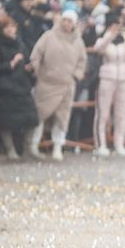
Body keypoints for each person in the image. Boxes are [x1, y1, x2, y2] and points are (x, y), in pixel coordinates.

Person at [28, 9, 87, 161]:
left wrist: (76, 76)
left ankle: (57, 146)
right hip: (46, 82)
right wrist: (36, 69)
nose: (67, 24)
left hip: (67, 84)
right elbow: (37, 54)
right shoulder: (48, 36)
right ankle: (33, 145)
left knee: (62, 117)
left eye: (70, 21)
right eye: (65, 20)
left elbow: (82, 61)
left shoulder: (78, 41)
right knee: (40, 114)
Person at [0, 15, 39, 160]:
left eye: (13, 26)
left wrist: (29, 68)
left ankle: (27, 147)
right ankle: (10, 149)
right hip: (5, 87)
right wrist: (10, 64)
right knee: (5, 120)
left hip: (22, 85)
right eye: (8, 27)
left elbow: (26, 61)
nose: (11, 30)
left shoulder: (20, 44)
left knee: (31, 118)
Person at [93, 9, 125, 157]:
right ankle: (101, 144)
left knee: (121, 112)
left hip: (124, 78)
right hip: (107, 77)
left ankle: (119, 143)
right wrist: (109, 35)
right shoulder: (104, 38)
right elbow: (98, 49)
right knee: (103, 112)